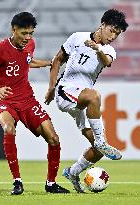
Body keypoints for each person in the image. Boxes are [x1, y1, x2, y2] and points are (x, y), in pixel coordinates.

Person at [0, 12, 70, 195]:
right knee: (8, 129)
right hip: (5, 100)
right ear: (13, 30)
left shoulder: (30, 44)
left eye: (31, 33)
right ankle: (17, 182)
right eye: (24, 33)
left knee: (53, 139)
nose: (27, 38)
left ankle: (51, 184)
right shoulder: (0, 49)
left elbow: (27, 62)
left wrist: (49, 63)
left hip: (27, 99)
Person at [45, 9, 128, 193]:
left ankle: (73, 172)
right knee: (94, 95)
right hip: (66, 91)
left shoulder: (108, 50)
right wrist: (51, 88)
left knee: (98, 150)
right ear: (102, 25)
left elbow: (106, 61)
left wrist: (97, 48)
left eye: (117, 33)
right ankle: (100, 140)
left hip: (81, 101)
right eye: (112, 30)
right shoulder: (77, 37)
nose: (113, 36)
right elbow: (57, 59)